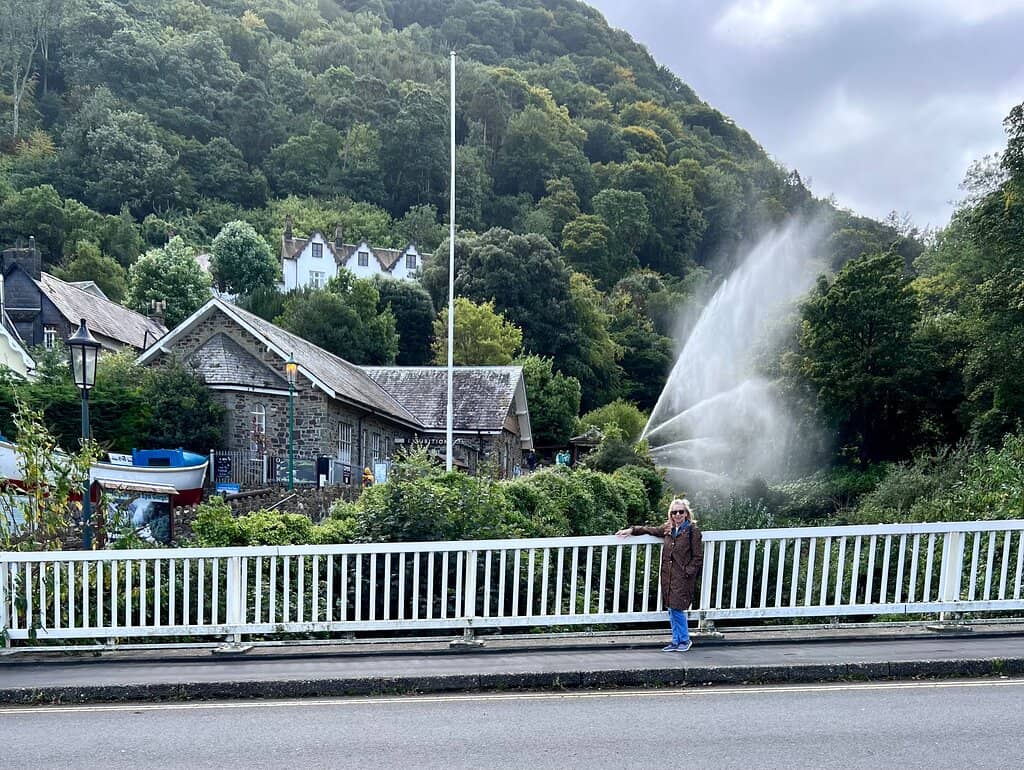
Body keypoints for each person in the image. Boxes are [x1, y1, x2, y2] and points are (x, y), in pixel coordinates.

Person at [616, 498, 703, 651]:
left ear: (686, 514)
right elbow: (650, 530)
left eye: (680, 512)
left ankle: (684, 640)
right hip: (668, 576)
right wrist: (632, 530)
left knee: (677, 608)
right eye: (674, 512)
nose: (677, 515)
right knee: (671, 608)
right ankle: (676, 641)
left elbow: (697, 557)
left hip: (682, 577)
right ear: (670, 514)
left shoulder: (692, 531)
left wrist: (687, 572)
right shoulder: (668, 529)